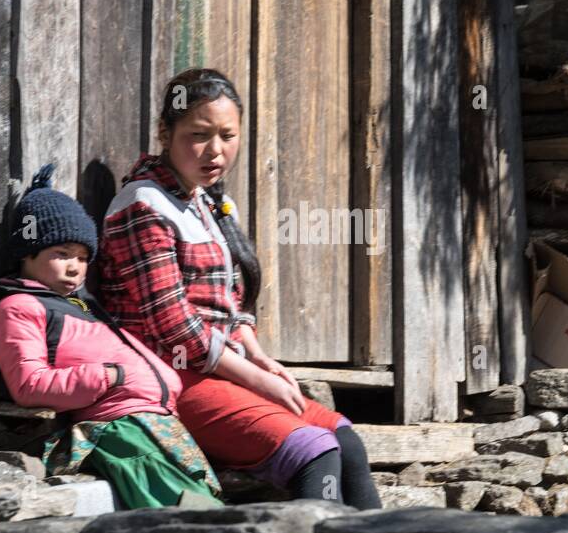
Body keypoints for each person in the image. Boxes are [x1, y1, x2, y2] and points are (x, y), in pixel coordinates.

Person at [98, 68, 382, 509]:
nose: (216, 151)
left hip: (217, 369)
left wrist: (260, 357)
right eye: (199, 134)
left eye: (228, 136)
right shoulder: (143, 205)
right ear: (164, 132)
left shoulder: (200, 200)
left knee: (346, 441)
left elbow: (227, 299)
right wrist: (255, 379)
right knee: (315, 452)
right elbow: (174, 328)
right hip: (171, 377)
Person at [0, 164, 222, 509]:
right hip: (116, 427)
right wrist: (108, 376)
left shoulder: (84, 307)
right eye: (61, 254)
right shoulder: (21, 308)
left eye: (83, 258)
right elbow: (29, 384)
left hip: (155, 424)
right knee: (178, 507)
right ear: (27, 254)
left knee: (197, 495)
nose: (75, 267)